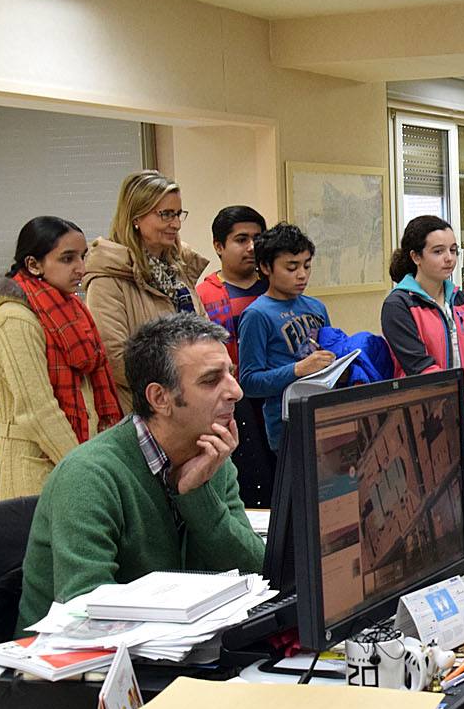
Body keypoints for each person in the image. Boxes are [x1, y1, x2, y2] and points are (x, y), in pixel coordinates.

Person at [17, 313, 264, 628]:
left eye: (231, 373)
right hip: (71, 665)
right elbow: (85, 608)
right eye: (211, 380)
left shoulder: (211, 456)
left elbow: (254, 574)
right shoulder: (89, 475)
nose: (236, 391)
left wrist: (195, 494)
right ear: (160, 398)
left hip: (176, 650)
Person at [0, 216, 123, 499]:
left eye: (82, 257)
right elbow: (38, 411)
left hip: (73, 465)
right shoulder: (15, 319)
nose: (80, 268)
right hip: (34, 476)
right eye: (67, 259)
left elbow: (89, 399)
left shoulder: (72, 311)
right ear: (33, 264)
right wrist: (85, 469)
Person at [85, 170, 208, 411]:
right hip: (148, 409)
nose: (175, 224)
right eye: (165, 215)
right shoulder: (108, 278)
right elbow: (116, 359)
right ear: (135, 218)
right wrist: (180, 382)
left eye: (178, 214)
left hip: (191, 402)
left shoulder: (177, 268)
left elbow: (203, 330)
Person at [381, 215, 464, 468]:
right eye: (438, 251)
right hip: (424, 424)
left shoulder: (462, 300)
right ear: (416, 257)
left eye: (453, 250)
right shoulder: (398, 305)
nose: (449, 258)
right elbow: (423, 370)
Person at [197, 205, 275, 508]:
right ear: (219, 246)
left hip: (273, 400)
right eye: (241, 239)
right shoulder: (203, 295)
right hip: (232, 406)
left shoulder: (276, 288)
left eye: (258, 237)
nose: (252, 247)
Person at [236, 224, 334, 452]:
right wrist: (297, 370)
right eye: (291, 268)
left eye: (307, 266)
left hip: (324, 416)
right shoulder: (257, 315)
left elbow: (330, 351)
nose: (302, 275)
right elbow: (249, 382)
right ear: (265, 267)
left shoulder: (316, 306)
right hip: (287, 428)